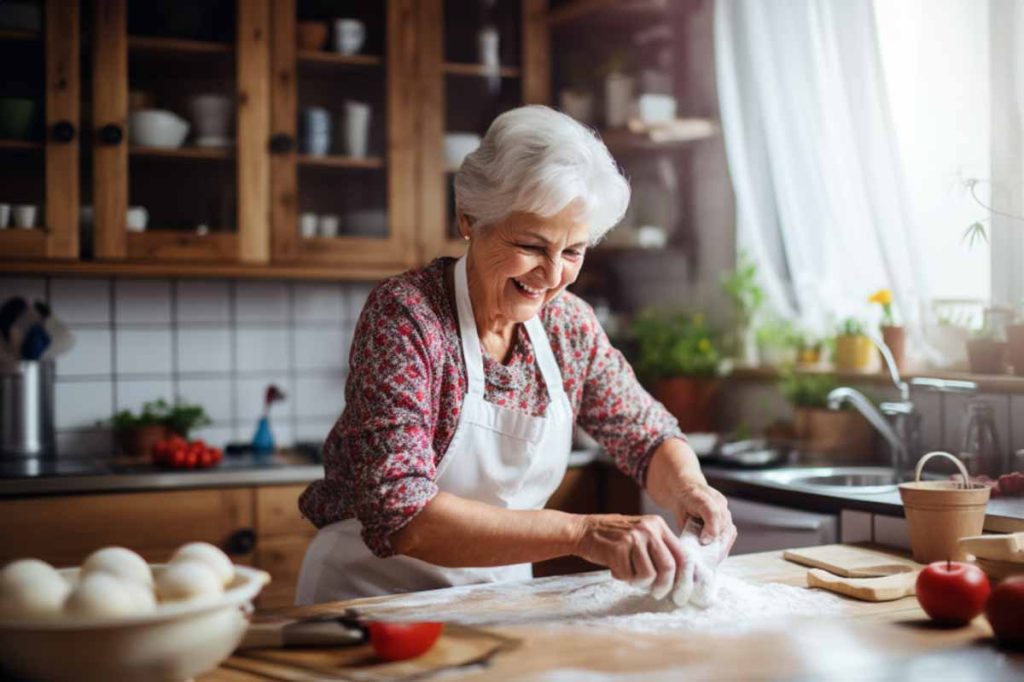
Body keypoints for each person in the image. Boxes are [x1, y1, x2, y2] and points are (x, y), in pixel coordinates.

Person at [296, 105, 736, 604]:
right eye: (531, 245)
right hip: (373, 601)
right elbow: (403, 514)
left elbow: (646, 434)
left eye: (573, 251)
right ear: (469, 218)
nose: (551, 277)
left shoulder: (568, 324)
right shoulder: (407, 316)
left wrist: (690, 491)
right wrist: (582, 534)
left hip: (499, 603)